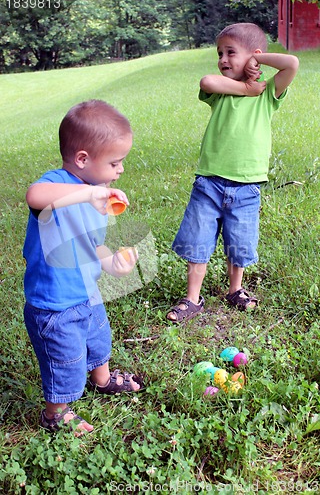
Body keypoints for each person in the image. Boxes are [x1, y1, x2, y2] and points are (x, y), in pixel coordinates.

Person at [23, 99, 143, 434]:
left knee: (97, 339)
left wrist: (114, 265)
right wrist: (84, 196)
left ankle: (102, 379)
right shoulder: (58, 186)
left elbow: (92, 242)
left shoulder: (97, 192)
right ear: (82, 159)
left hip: (87, 292)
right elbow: (35, 195)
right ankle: (55, 413)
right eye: (115, 163)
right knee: (65, 361)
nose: (120, 170)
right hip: (55, 304)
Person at [167, 23, 299, 322]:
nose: (223, 59)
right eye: (220, 53)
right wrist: (245, 88)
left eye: (231, 53)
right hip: (209, 183)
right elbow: (206, 81)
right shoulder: (223, 93)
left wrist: (259, 60)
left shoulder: (267, 94)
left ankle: (235, 290)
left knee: (239, 243)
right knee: (198, 241)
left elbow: (291, 63)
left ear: (253, 56)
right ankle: (192, 298)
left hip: (247, 187)